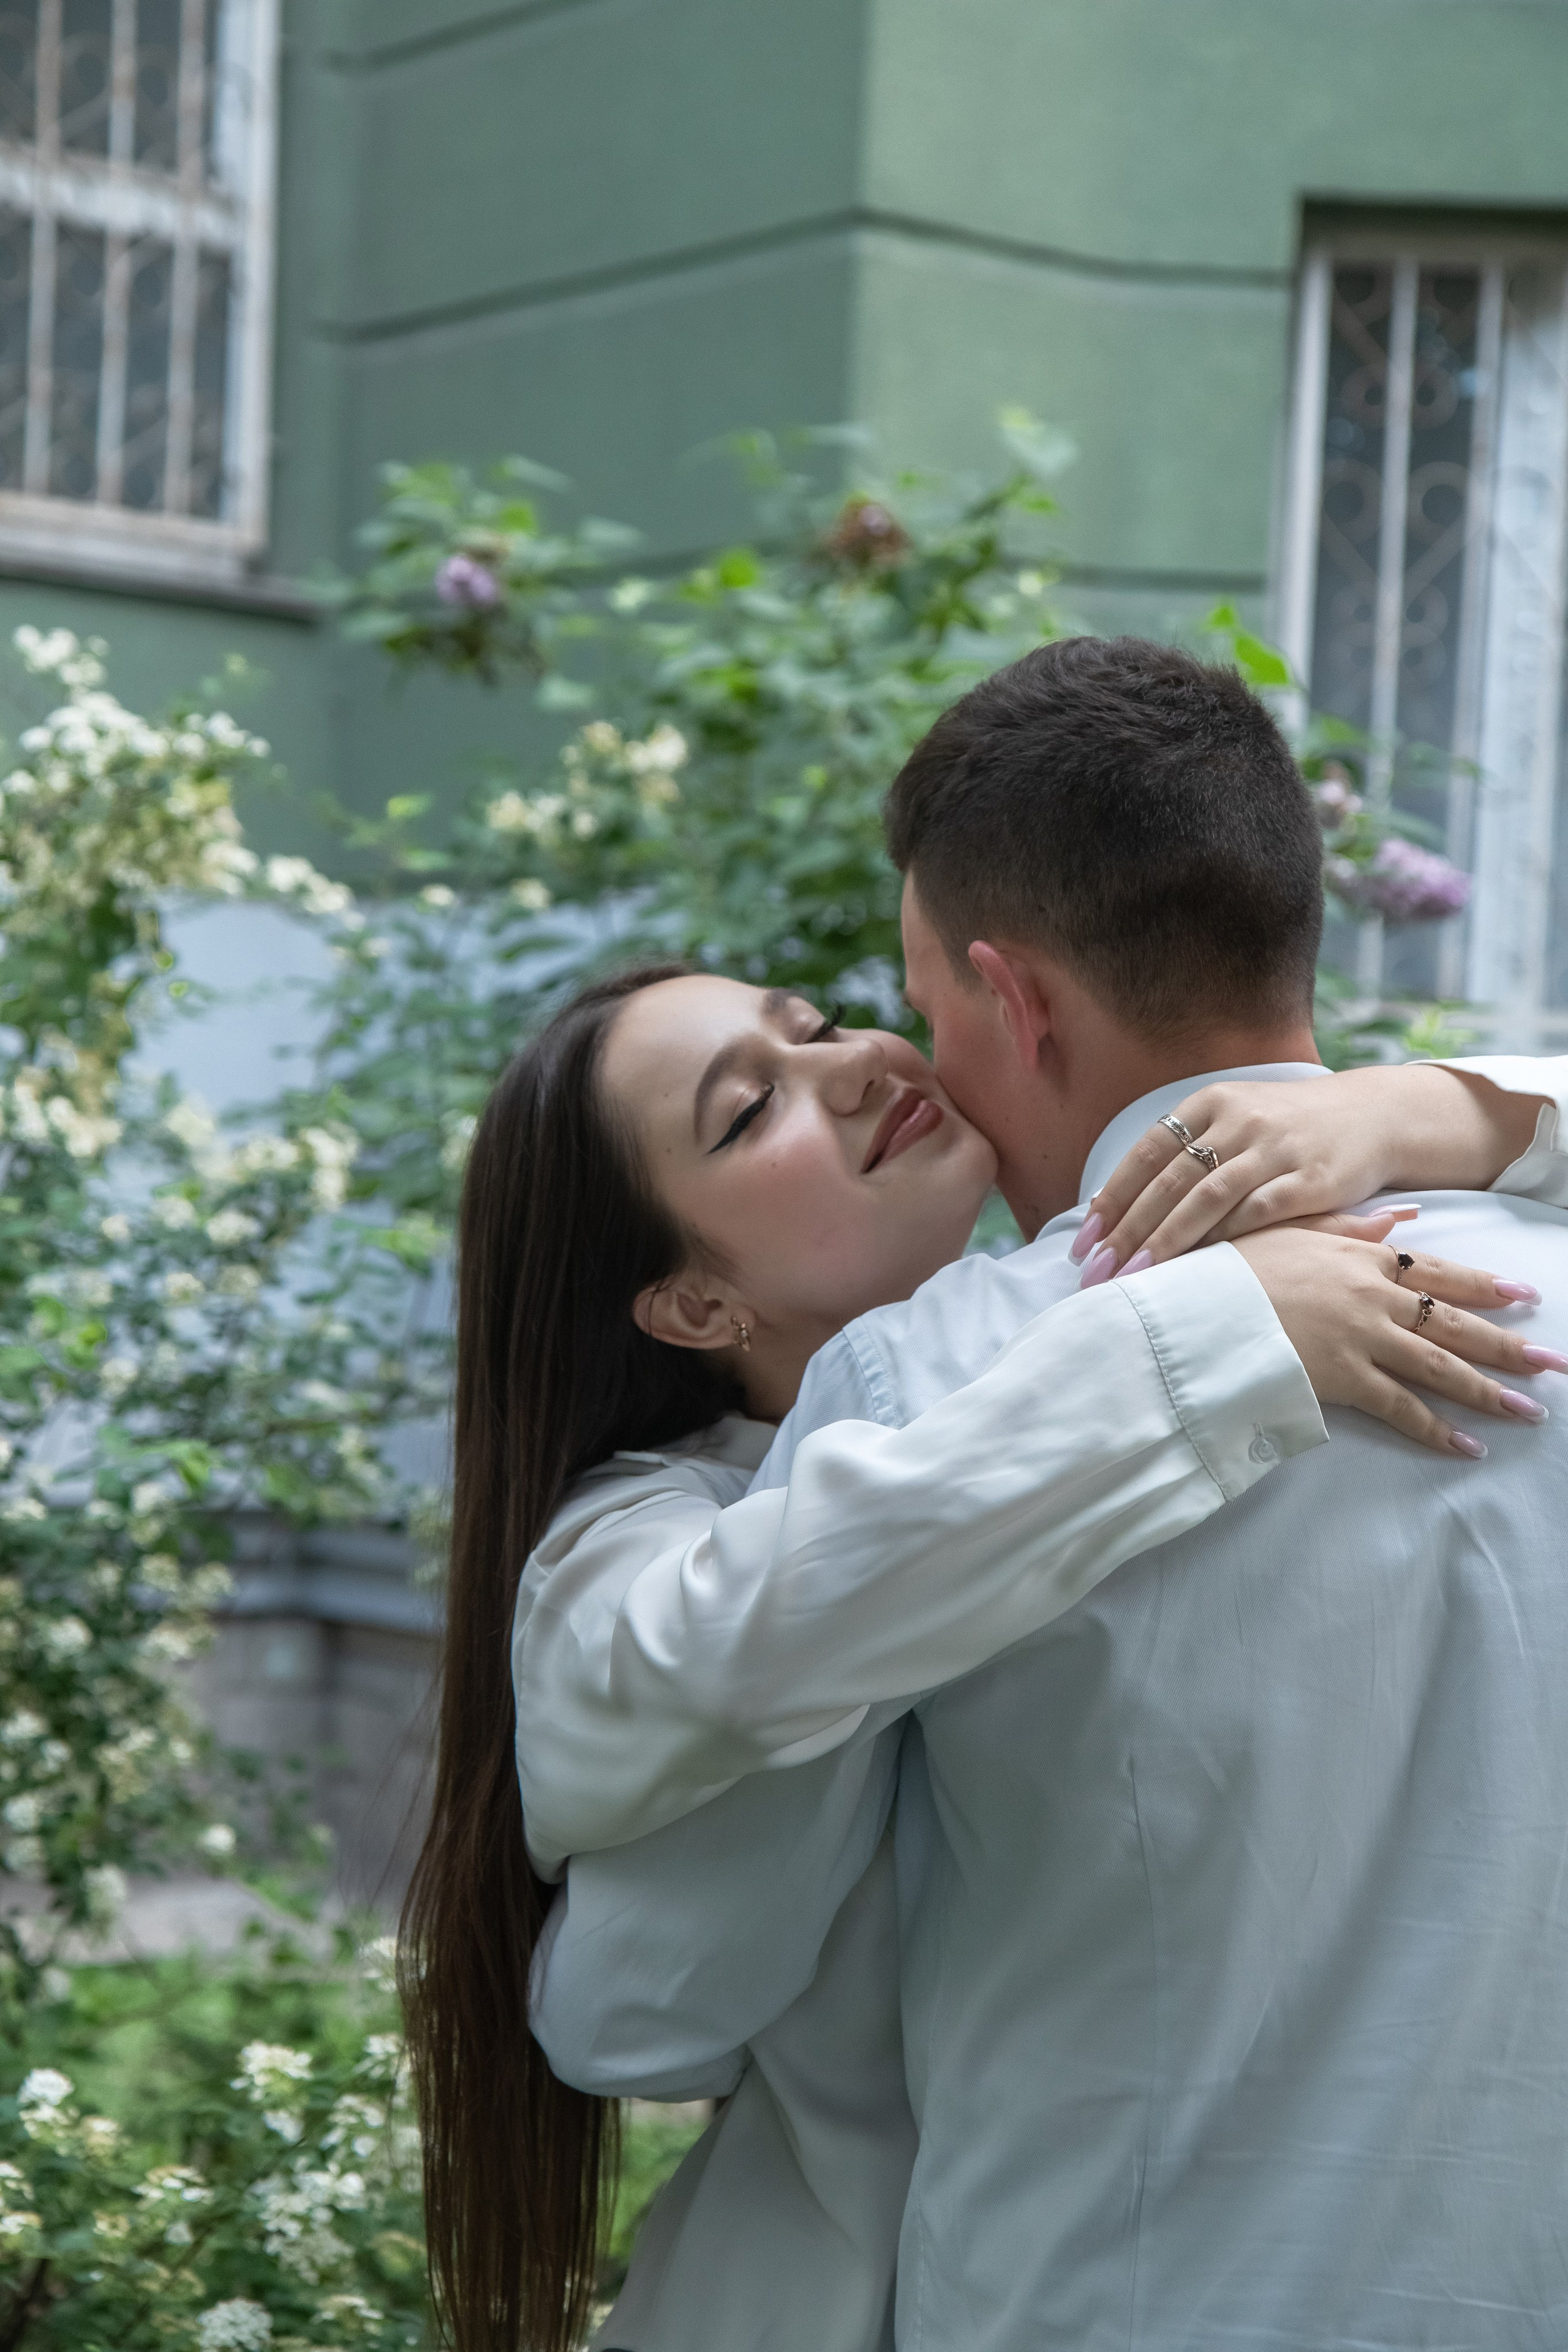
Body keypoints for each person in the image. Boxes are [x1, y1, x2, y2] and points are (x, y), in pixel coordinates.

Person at [526, 641, 1568, 2352]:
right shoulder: (739, 1505)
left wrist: (1447, 1111)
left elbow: (636, 2003)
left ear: (1013, 1005)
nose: (885, 1060)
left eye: (887, 1009)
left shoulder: (917, 1391)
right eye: (752, 1102)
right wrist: (1457, 1122)